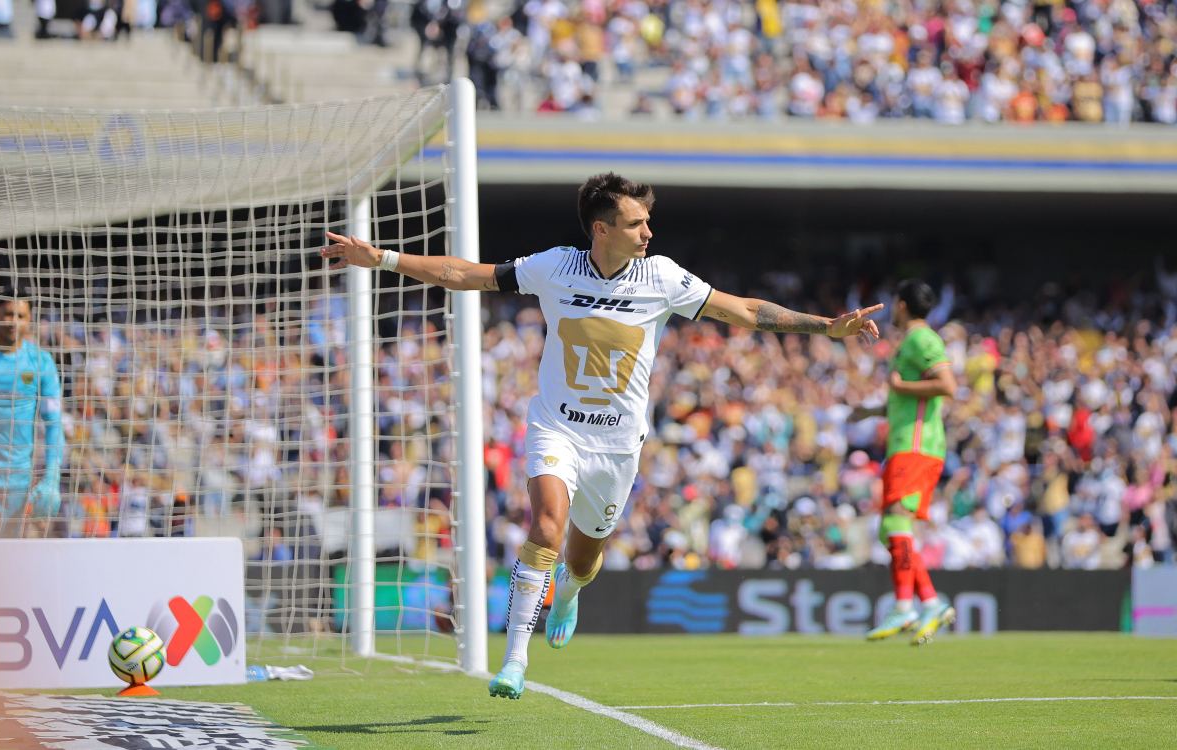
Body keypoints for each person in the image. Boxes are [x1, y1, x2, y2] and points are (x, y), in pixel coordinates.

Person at [321, 172, 882, 699]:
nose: (648, 232)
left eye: (648, 222)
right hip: (556, 428)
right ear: (602, 229)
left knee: (584, 560)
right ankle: (514, 659)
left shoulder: (662, 277)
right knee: (546, 524)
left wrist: (825, 327)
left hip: (616, 446)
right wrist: (383, 258)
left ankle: (569, 592)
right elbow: (466, 274)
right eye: (637, 223)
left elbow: (744, 311)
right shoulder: (554, 267)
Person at [850, 279, 957, 646]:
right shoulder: (910, 342)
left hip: (916, 445)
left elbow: (947, 385)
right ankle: (930, 603)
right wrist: (872, 411)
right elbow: (909, 399)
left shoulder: (921, 339)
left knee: (895, 522)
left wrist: (898, 387)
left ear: (901, 305)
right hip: (907, 444)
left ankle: (904, 606)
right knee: (891, 530)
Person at [0, 286, 65, 538]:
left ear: (29, 320)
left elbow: (53, 422)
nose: (13, 321)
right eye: (8, 313)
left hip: (14, 477)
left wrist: (52, 476)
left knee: (2, 549)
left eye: (20, 315)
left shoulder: (40, 362)